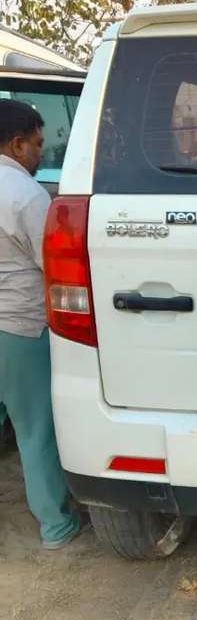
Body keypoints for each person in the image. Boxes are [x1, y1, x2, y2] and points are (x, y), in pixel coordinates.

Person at [0, 99, 81, 548]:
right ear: (17, 144)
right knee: (35, 429)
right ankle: (57, 524)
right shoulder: (25, 193)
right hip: (18, 328)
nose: (40, 153)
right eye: (37, 144)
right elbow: (49, 264)